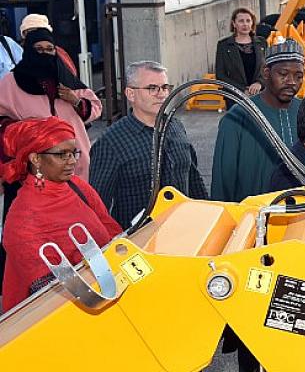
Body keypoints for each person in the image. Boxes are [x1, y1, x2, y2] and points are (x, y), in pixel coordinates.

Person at [0, 117, 121, 311]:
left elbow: (113, 233)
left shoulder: (77, 186)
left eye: (74, 152)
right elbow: (49, 292)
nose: (72, 161)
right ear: (35, 159)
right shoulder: (21, 219)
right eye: (62, 155)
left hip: (106, 294)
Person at [89, 61, 207, 229]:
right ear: (130, 94)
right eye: (152, 88)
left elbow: (194, 180)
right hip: (139, 242)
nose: (161, 94)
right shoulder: (111, 143)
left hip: (184, 232)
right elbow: (97, 207)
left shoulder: (176, 127)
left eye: (165, 87)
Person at [0, 27, 101, 181]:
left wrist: (76, 101)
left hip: (74, 160)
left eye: (49, 49)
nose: (45, 54)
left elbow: (95, 107)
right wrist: (27, 129)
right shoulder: (10, 82)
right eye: (38, 49)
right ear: (28, 51)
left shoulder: (64, 77)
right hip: (35, 164)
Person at [211, 39, 304, 202]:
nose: (292, 82)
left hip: (299, 215)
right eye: (283, 74)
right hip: (252, 218)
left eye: (298, 76)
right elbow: (223, 180)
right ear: (266, 73)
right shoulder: (238, 117)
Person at [215, 8, 267, 109]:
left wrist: (259, 83)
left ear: (252, 23)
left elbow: (268, 69)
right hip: (234, 98)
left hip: (259, 96)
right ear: (234, 24)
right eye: (241, 21)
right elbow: (220, 75)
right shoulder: (224, 45)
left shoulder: (262, 43)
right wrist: (243, 90)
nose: (245, 24)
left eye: (248, 20)